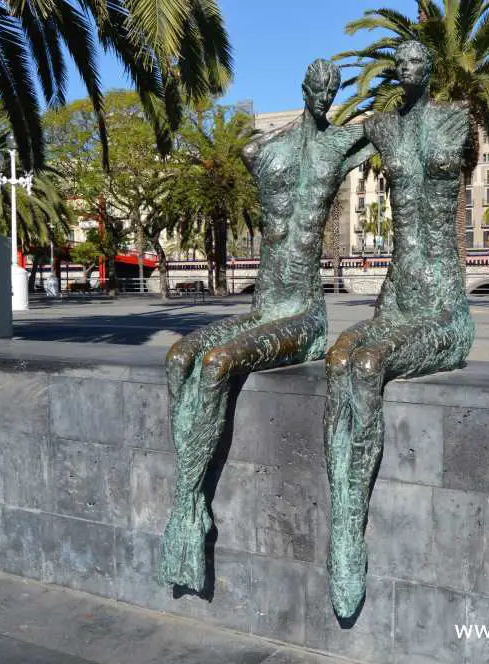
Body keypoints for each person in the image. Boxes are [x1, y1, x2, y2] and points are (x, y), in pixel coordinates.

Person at [159, 59, 372, 591]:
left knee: (215, 363)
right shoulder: (262, 152)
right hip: (264, 308)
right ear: (304, 89)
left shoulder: (341, 145)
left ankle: (188, 508)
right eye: (318, 89)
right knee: (179, 357)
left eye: (333, 89)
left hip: (302, 317)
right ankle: (190, 502)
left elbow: (389, 127)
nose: (325, 96)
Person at [323, 40, 476, 618]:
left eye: (416, 63)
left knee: (365, 365)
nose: (407, 71)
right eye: (400, 64)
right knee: (338, 361)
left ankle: (349, 538)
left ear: (430, 70)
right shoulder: (381, 127)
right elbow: (322, 156)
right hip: (396, 297)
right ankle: (342, 519)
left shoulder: (455, 118)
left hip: (442, 307)